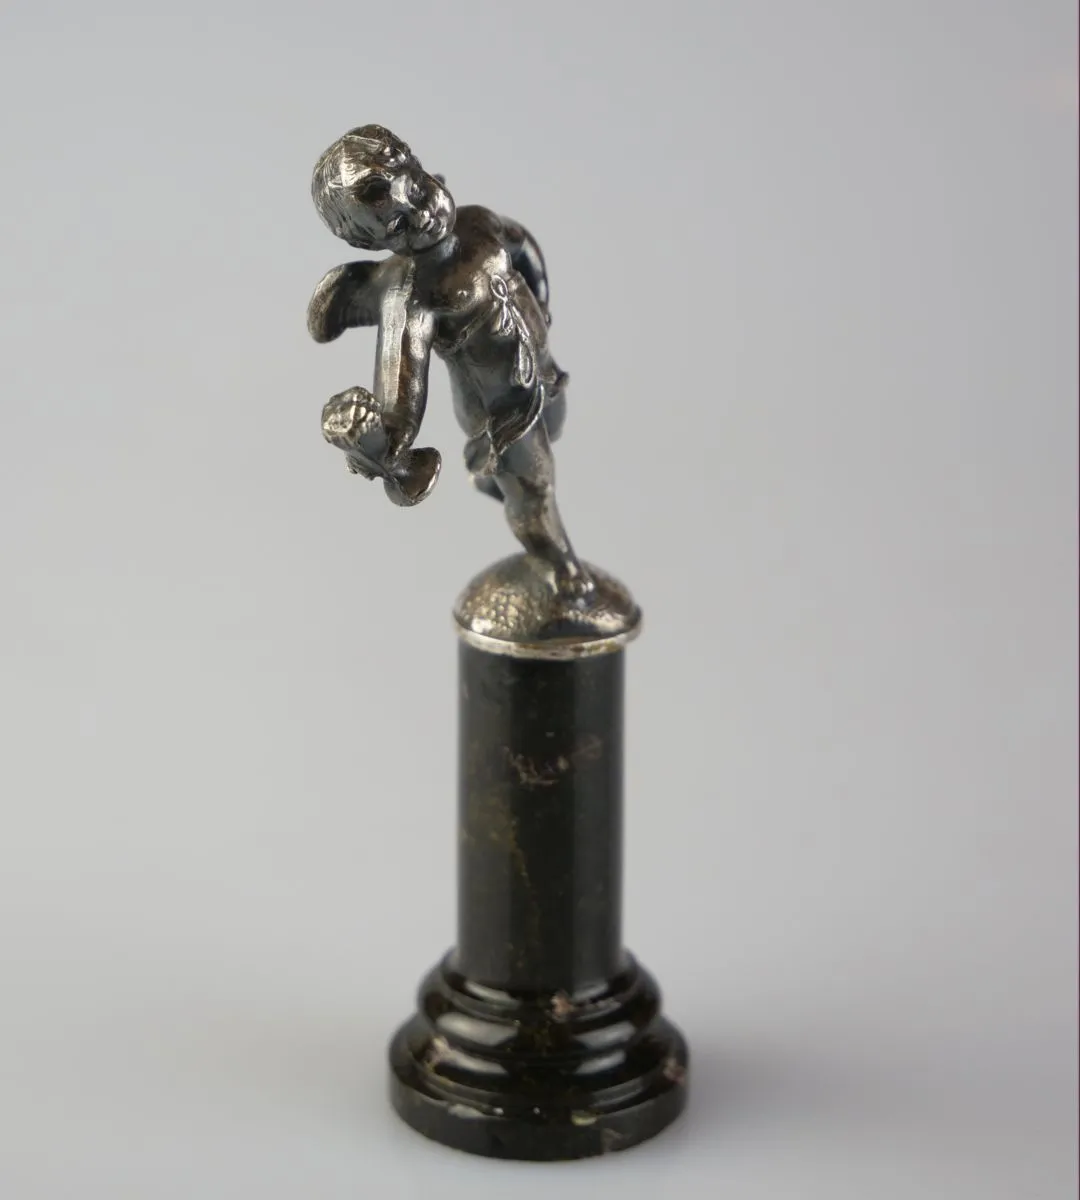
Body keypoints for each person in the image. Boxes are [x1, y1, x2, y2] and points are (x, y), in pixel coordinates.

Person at [307, 124, 590, 596]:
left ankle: (496, 481)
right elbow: (401, 395)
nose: (421, 216)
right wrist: (377, 438)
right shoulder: (409, 296)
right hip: (500, 417)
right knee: (536, 488)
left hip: (545, 375)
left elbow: (522, 247)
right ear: (372, 243)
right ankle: (560, 567)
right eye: (397, 225)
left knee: (554, 434)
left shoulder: (479, 223)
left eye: (417, 190)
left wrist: (541, 304)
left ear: (420, 168)